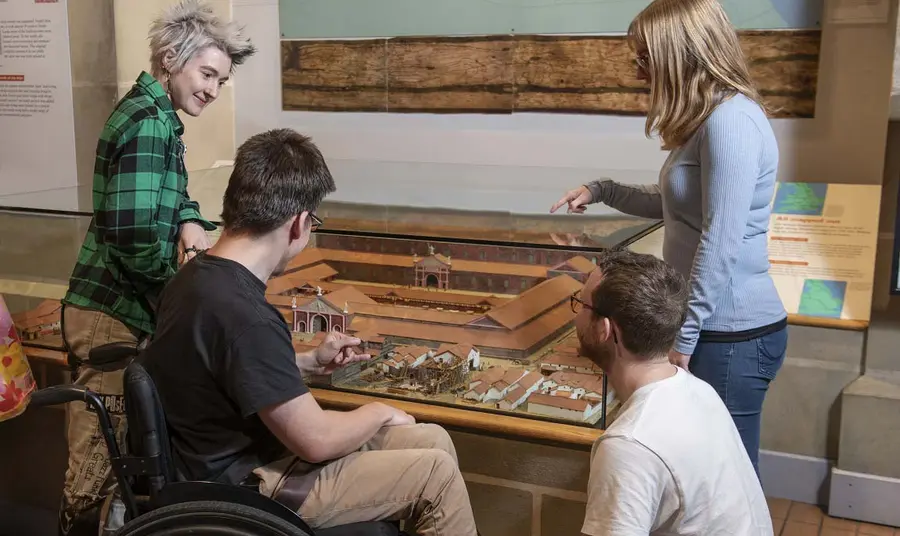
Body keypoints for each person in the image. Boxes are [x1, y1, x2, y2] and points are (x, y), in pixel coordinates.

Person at [140, 128, 479, 536]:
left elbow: (223, 369)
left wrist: (305, 362)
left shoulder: (194, 278)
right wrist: (377, 411)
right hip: (250, 485)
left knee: (433, 440)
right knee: (435, 474)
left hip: (220, 463)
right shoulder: (247, 314)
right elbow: (314, 441)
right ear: (299, 224)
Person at [550, 0, 787, 476]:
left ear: (682, 54)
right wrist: (601, 190)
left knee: (725, 477)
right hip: (711, 327)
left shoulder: (731, 122)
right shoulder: (707, 121)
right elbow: (671, 204)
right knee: (698, 471)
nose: (639, 72)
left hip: (730, 332)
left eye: (645, 58)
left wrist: (686, 333)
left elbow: (720, 240)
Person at [57, 1, 255, 533]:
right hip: (109, 313)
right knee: (97, 472)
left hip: (120, 310)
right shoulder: (148, 123)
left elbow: (176, 195)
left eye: (220, 79)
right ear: (171, 58)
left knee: (119, 469)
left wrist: (190, 222)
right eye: (207, 73)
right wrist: (181, 288)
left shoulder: (159, 119)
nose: (213, 90)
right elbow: (133, 237)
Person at [573, 248, 773, 536]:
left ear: (606, 330)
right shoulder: (697, 389)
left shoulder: (629, 445)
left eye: (581, 305)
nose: (577, 315)